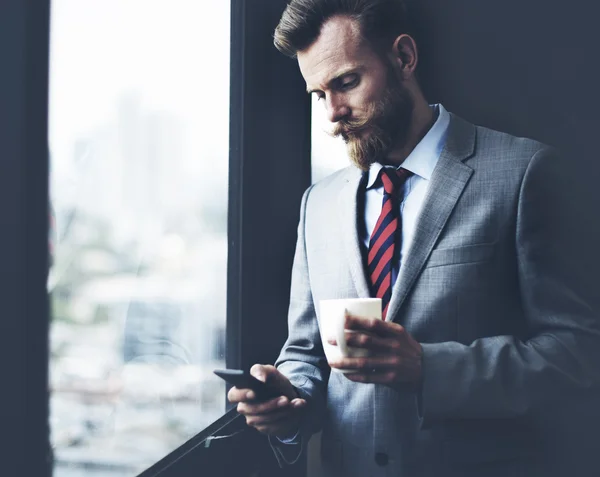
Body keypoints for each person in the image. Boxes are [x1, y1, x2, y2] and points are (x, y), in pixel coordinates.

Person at [227, 0, 600, 475]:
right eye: (319, 94)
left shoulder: (524, 174)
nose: (333, 115)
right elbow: (306, 353)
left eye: (345, 83)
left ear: (403, 58)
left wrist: (429, 367)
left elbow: (578, 353)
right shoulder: (316, 205)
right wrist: (288, 398)